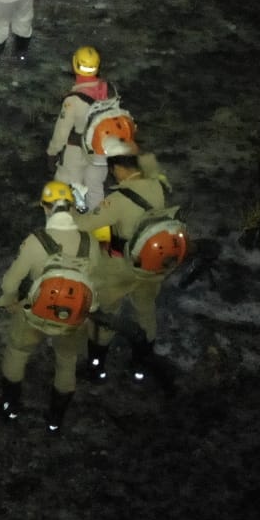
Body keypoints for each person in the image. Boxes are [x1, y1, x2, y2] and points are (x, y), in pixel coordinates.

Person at [0, 181, 103, 433]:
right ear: (72, 208)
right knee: (67, 361)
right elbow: (94, 281)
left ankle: (10, 407)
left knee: (17, 353)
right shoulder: (89, 242)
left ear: (46, 208)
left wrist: (10, 300)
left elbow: (11, 281)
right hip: (72, 319)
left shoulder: (35, 242)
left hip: (34, 313)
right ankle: (55, 418)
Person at [71, 138, 179, 383]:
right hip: (152, 266)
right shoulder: (157, 185)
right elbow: (151, 161)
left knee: (105, 315)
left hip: (120, 269)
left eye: (112, 169)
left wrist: (72, 207)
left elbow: (82, 224)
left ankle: (97, 367)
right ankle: (139, 366)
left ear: (118, 168)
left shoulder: (118, 201)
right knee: (146, 311)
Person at [45, 45, 113, 196]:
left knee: (66, 187)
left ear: (75, 64)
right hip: (101, 149)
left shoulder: (74, 100)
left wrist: (52, 152)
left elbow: (61, 132)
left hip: (77, 151)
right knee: (93, 189)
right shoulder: (108, 89)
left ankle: (66, 216)